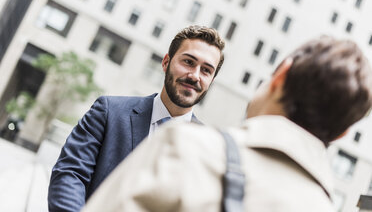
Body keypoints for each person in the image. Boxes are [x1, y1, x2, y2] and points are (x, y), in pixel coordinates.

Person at [82, 36, 372, 212]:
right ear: (343, 132)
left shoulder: (186, 148)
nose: (196, 76)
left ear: (282, 74)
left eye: (207, 69)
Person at [48, 25, 225, 212]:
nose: (195, 76)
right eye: (188, 62)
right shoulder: (108, 112)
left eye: (206, 70)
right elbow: (70, 174)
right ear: (166, 62)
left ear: (211, 81)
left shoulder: (211, 148)